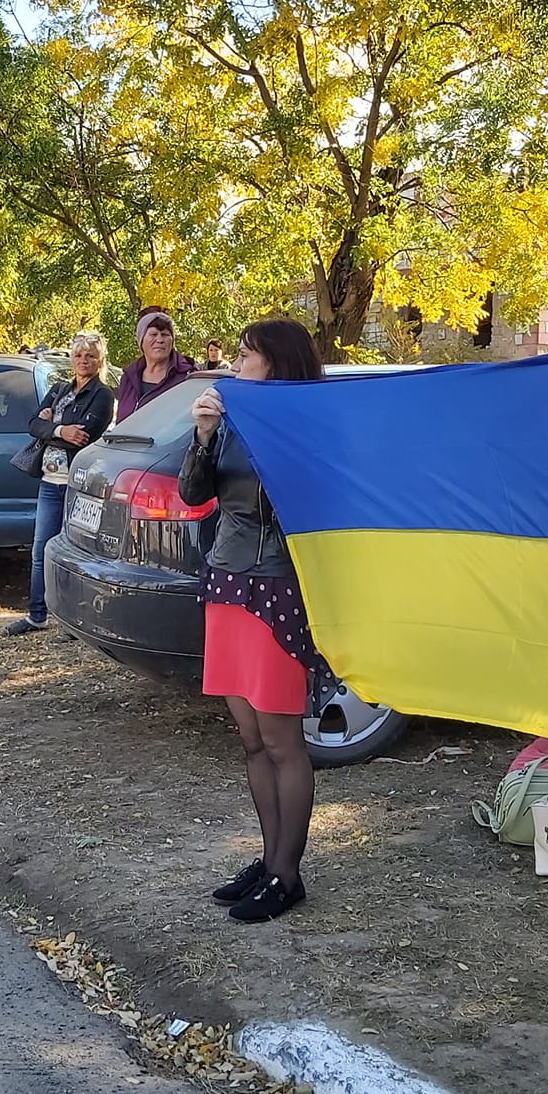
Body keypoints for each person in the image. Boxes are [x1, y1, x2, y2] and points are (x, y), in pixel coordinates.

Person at [181, 318, 328, 923]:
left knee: (280, 740)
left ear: (279, 363)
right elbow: (194, 495)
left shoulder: (305, 426)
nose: (236, 363)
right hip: (226, 581)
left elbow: (303, 502)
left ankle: (288, 875)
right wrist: (204, 434)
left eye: (247, 355)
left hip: (276, 587)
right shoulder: (230, 423)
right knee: (248, 738)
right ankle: (268, 861)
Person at [6, 331, 114, 636]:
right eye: (79, 355)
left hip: (78, 484)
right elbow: (33, 425)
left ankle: (72, 620)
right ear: (71, 359)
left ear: (99, 360)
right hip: (49, 481)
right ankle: (36, 614)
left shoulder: (102, 394)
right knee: (41, 549)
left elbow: (87, 434)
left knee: (74, 552)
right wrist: (59, 430)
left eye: (90, 356)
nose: (84, 361)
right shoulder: (58, 390)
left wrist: (53, 428)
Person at [116, 308, 195, 419]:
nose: (159, 340)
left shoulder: (188, 378)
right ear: (141, 340)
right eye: (153, 334)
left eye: (165, 334)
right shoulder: (128, 378)